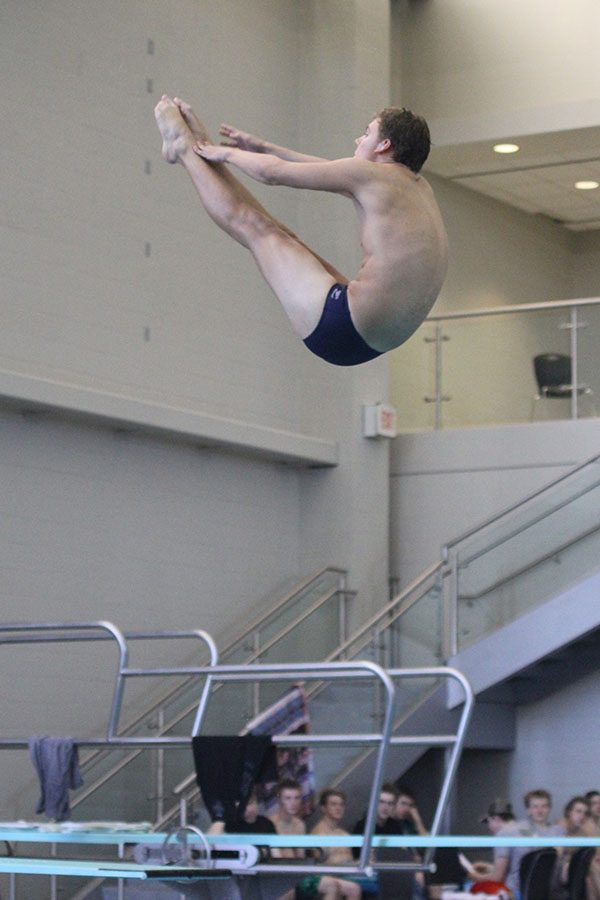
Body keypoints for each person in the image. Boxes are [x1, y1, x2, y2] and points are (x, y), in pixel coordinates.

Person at [154, 96, 448, 367]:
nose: (358, 139)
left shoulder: (374, 178)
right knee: (282, 237)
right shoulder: (418, 190)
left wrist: (221, 153)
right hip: (365, 339)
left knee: (257, 228)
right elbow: (330, 169)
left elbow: (271, 173)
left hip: (341, 328)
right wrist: (265, 148)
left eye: (367, 133)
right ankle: (198, 152)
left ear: (384, 145)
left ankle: (184, 148)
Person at [488, 789, 565, 900]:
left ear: (549, 808)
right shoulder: (514, 830)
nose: (540, 810)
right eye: (535, 806)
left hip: (543, 888)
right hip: (515, 888)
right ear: (528, 810)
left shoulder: (558, 831)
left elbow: (552, 858)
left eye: (544, 806)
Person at [351, 782, 399, 859]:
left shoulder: (395, 825)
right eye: (381, 802)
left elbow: (400, 852)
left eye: (390, 803)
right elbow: (357, 857)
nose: (385, 807)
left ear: (394, 806)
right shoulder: (362, 826)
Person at [269, 778, 307, 860]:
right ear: (279, 799)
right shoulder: (269, 824)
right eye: (288, 798)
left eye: (297, 798)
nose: (293, 803)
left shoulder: (299, 825)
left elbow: (301, 859)